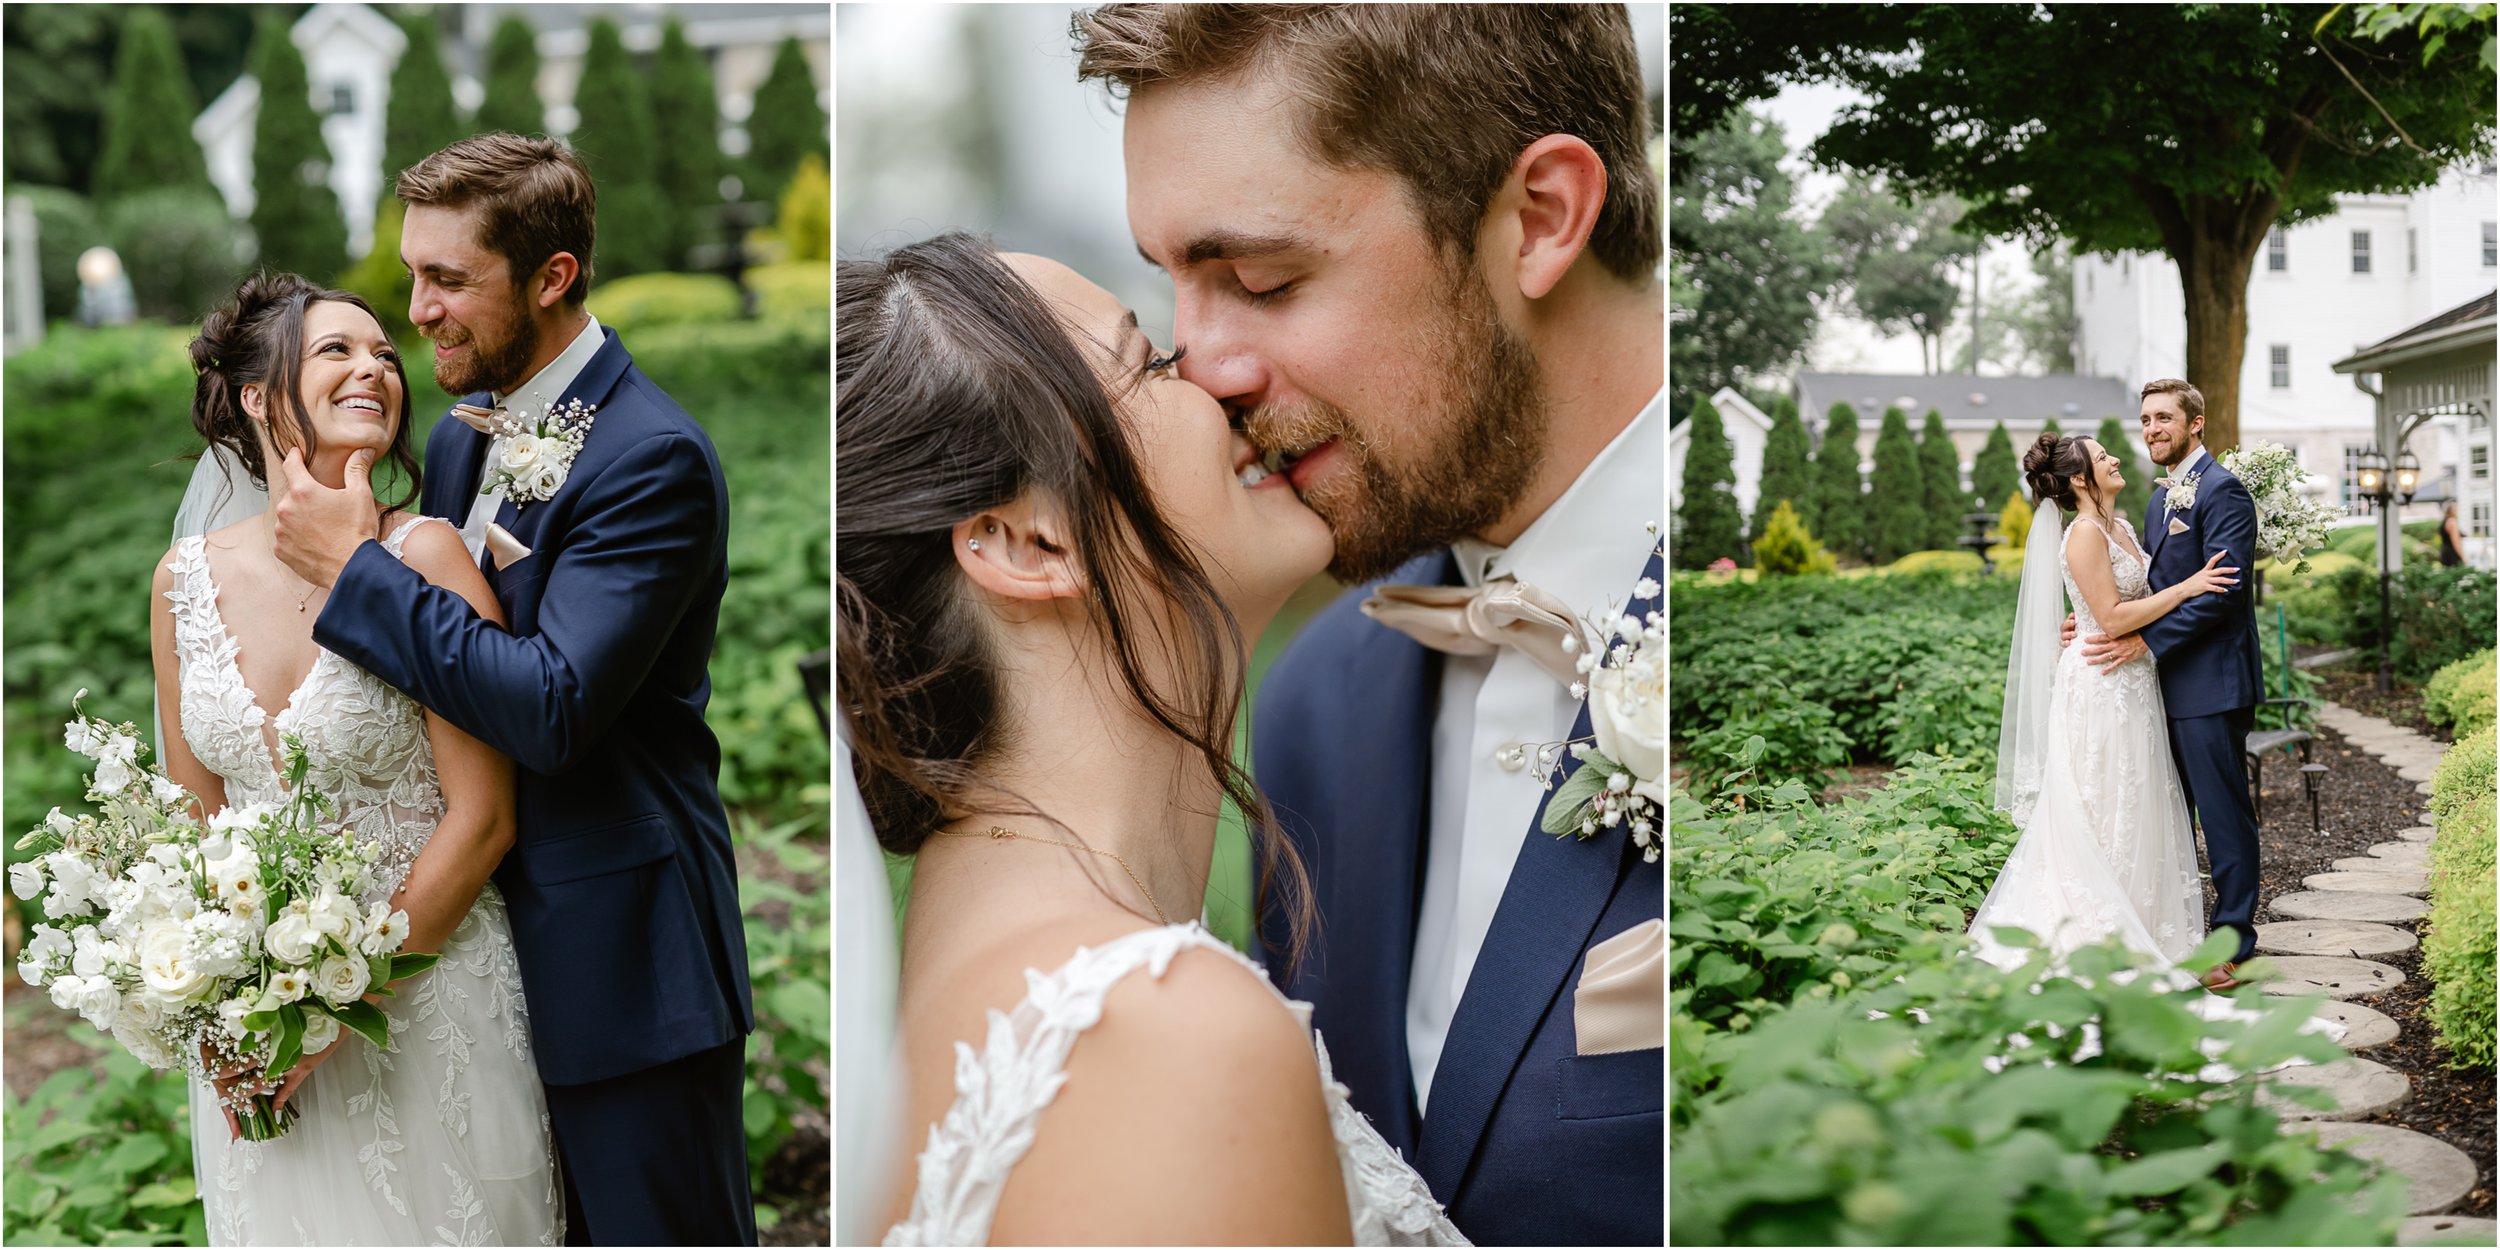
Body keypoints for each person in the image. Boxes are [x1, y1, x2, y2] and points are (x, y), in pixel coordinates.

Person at [1072, 6, 1664, 1244]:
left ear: (1543, 216)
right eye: (1170, 283)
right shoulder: (1307, 708)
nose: (1201, 365)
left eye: (1262, 279)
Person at [840, 232, 1464, 1246]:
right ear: (1031, 541)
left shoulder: (969, 982)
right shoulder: (1161, 1034)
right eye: (1152, 362)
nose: (1215, 373)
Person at [266, 134, 754, 1245]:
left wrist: (357, 576)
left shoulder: (650, 458)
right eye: (412, 274)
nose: (419, 310)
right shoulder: (456, 438)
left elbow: (552, 706)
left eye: (448, 280)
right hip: (482, 973)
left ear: (552, 277)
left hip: (626, 962)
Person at [155, 272, 564, 1244]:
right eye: (337, 349)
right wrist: (233, 1006)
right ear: (257, 396)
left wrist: (334, 1010)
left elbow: (485, 816)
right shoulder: (183, 583)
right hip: (261, 1032)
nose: (375, 367)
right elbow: (192, 824)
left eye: (384, 353)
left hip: (429, 1005)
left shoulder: (426, 555)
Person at [1976, 434, 2240, 971]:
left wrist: (2088, 616)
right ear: (2080, 479)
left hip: (2137, 680)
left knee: (2140, 804)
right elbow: (2115, 617)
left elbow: (2121, 602)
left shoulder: (2121, 526)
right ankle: (2098, 940)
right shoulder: (2082, 534)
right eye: (2102, 458)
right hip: (2100, 685)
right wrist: (2190, 587)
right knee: (2104, 804)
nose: (2115, 458)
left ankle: (2150, 930)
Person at [2072, 380, 2268, 990]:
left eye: (2164, 418)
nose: (2152, 428)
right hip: (2153, 687)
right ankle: (2175, 931)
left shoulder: (2223, 490)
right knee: (2166, 816)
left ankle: (2233, 942)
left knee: (2224, 816)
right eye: (2146, 419)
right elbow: (2146, 590)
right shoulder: (2157, 504)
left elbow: (2226, 590)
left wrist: (2145, 641)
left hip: (2210, 682)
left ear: (2196, 423)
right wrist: (2090, 616)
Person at [2440, 499, 2466, 567]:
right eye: (2455, 508)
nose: (2457, 510)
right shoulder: (2452, 522)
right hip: (2452, 554)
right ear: (2451, 510)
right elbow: (2456, 542)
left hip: (2445, 553)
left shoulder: (2445, 521)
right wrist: (2463, 557)